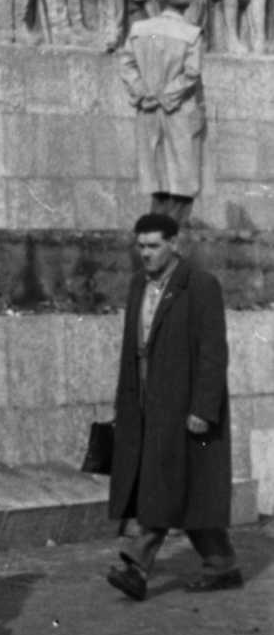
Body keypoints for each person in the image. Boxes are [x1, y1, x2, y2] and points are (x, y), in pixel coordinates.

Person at [106, 213, 241, 600]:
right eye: (141, 246)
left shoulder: (200, 286)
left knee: (164, 485)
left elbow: (214, 352)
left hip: (184, 407)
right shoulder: (137, 286)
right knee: (188, 490)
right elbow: (132, 351)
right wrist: (125, 405)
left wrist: (203, 408)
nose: (145, 253)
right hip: (147, 406)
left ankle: (137, 566)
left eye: (153, 246)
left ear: (173, 244)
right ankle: (223, 565)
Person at [119, 0, 205, 225]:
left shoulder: (139, 30)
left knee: (158, 180)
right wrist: (167, 96)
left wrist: (144, 93)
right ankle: (168, 238)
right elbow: (192, 73)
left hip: (148, 111)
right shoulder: (190, 34)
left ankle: (158, 234)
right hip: (178, 112)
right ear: (187, 5)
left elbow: (126, 66)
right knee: (183, 183)